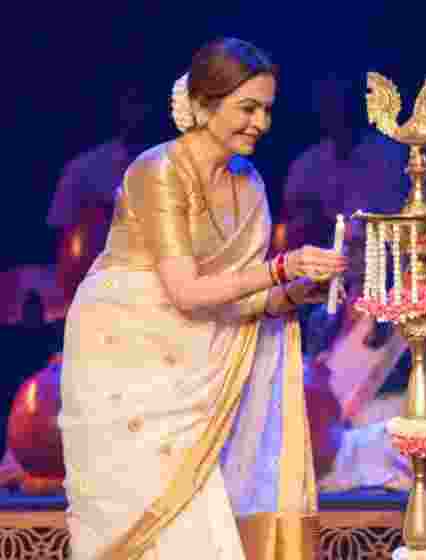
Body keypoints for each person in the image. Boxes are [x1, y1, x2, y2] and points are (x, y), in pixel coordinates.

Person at [57, 38, 348, 560]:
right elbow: (187, 293)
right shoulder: (158, 171)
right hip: (125, 359)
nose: (261, 123)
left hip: (204, 364)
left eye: (267, 110)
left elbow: (239, 300)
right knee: (157, 526)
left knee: (208, 526)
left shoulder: (251, 184)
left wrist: (299, 291)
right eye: (248, 108)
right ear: (202, 105)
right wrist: (283, 267)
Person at [49, 85, 155, 307]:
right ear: (120, 108)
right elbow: (62, 237)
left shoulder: (187, 168)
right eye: (133, 102)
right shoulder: (85, 169)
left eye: (146, 103)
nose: (141, 112)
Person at [281, 74, 408, 251]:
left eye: (340, 101)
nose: (336, 110)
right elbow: (293, 224)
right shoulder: (307, 163)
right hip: (321, 265)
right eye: (326, 102)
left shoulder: (391, 154)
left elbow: (398, 217)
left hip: (382, 261)